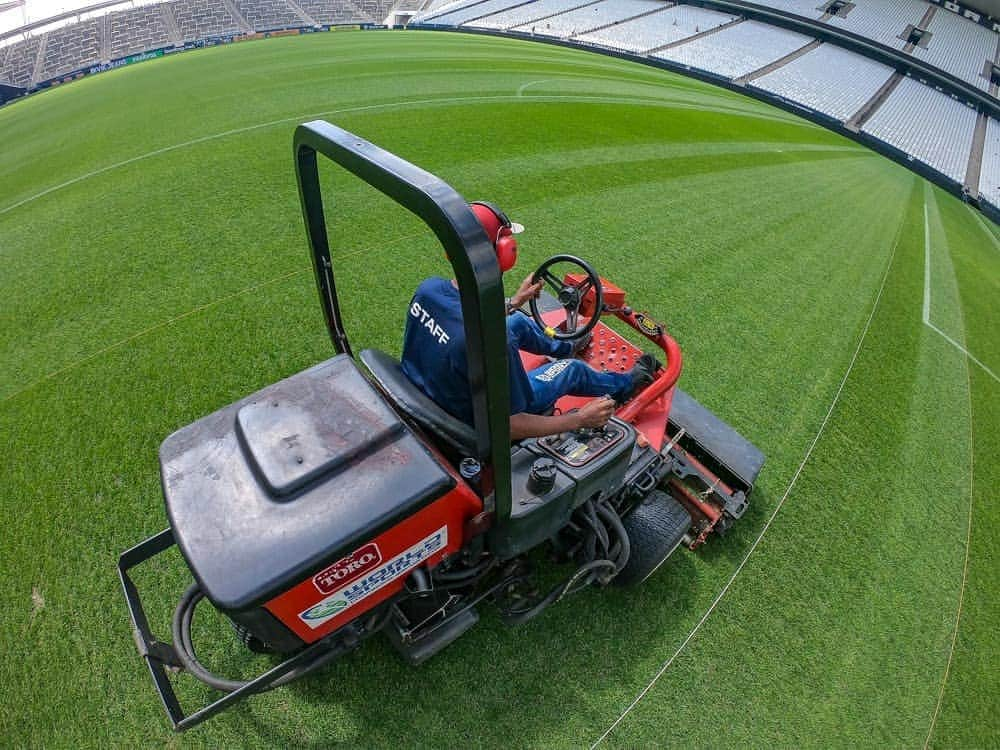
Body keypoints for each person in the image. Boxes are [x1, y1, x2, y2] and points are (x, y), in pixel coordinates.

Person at [401, 201, 659, 440]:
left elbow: (462, 318)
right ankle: (626, 385)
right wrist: (580, 419)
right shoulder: (492, 343)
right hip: (472, 419)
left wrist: (515, 302)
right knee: (571, 370)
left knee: (518, 323)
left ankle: (567, 344)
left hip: (435, 392)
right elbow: (509, 424)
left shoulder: (428, 290)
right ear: (504, 254)